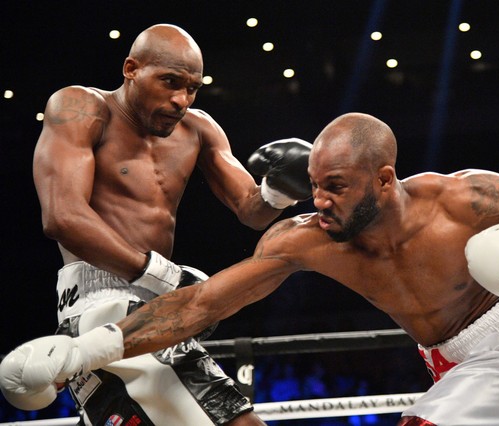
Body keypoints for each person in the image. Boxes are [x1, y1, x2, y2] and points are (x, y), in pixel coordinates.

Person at [1, 113, 499, 425]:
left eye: (337, 187)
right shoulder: (307, 239)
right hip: (454, 367)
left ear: (383, 179)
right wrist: (86, 352)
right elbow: (201, 305)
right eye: (315, 185)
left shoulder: (462, 200)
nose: (319, 201)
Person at [15, 23, 313, 426]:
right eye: (169, 82)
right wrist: (162, 275)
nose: (181, 100)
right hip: (99, 304)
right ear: (131, 68)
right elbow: (62, 217)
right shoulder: (81, 108)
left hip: (158, 311)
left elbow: (250, 209)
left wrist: (279, 189)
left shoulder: (199, 129)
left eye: (192, 88)